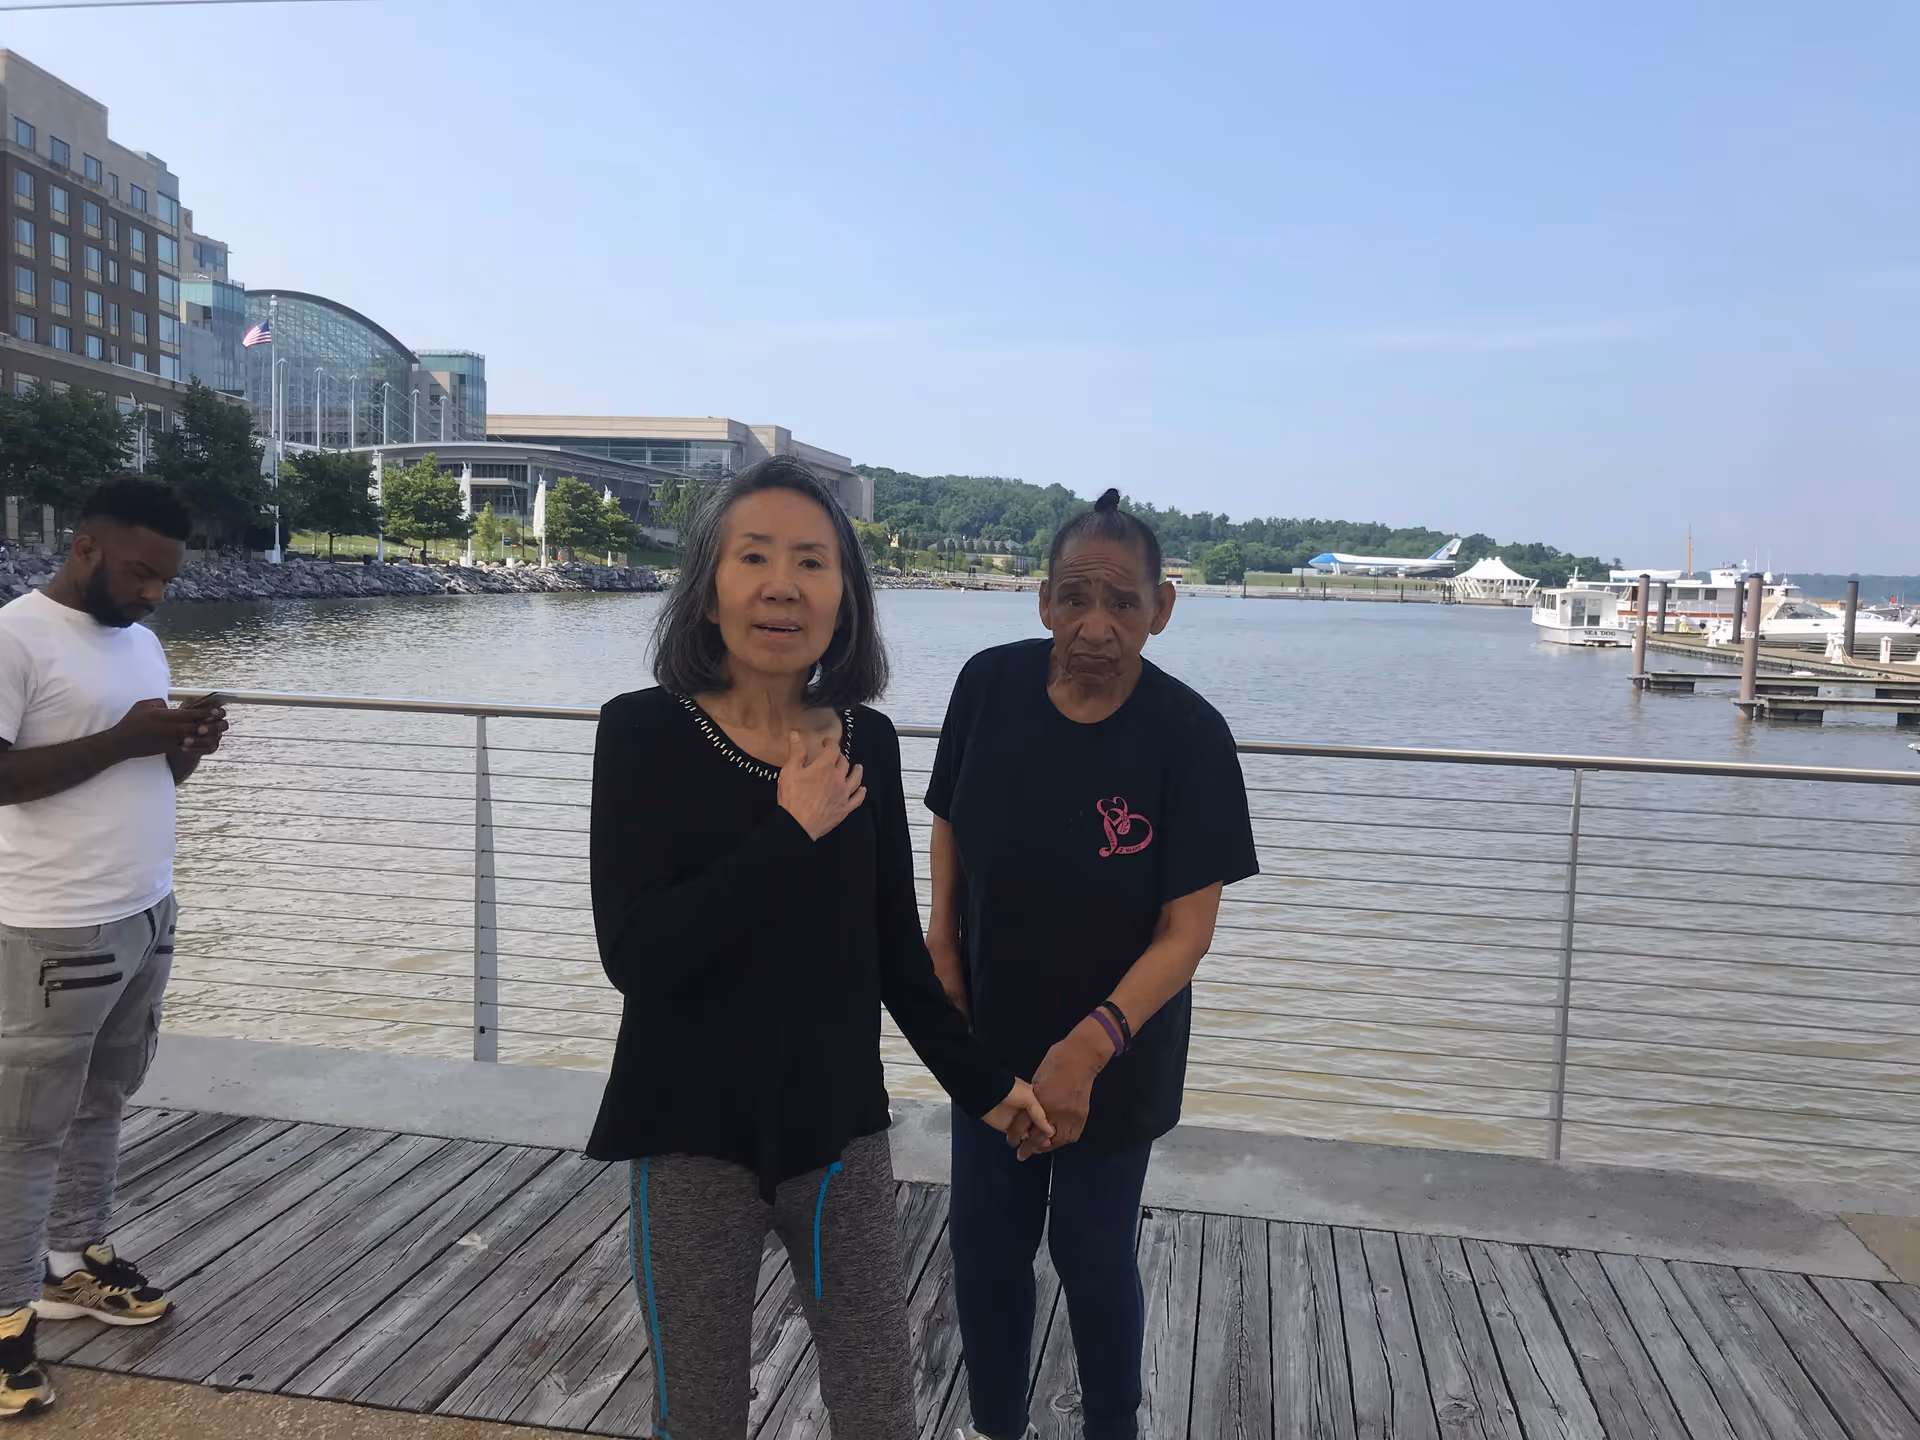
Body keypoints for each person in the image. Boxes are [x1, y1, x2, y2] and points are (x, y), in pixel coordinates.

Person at [587, 455, 1050, 1440]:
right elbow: (638, 953)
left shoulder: (865, 745)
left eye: (812, 561)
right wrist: (789, 831)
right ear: (709, 591)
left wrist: (990, 1085)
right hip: (687, 1137)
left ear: (847, 598)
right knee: (701, 1414)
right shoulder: (642, 735)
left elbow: (894, 951)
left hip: (839, 1137)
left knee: (880, 1407)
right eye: (754, 556)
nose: (783, 584)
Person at [928, 488, 1257, 1440]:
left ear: (1163, 609)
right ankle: (998, 1426)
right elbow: (947, 819)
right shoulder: (985, 686)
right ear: (1042, 602)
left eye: (1122, 604)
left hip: (1120, 1051)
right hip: (991, 1036)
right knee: (986, 1253)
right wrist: (941, 945)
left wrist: (1089, 1046)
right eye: (1075, 599)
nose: (1097, 627)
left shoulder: (1190, 737)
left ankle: (1113, 1426)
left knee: (1091, 1252)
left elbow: (1186, 931)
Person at [0, 477, 227, 1420]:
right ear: (86, 548)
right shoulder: (14, 636)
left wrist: (184, 746)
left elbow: (144, 758)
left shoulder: (140, 640)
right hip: (50, 923)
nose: (153, 594)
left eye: (166, 579)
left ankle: (72, 1259)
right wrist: (123, 738)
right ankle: (8, 1321)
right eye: (140, 572)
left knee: (103, 1099)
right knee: (22, 1133)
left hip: (143, 912)